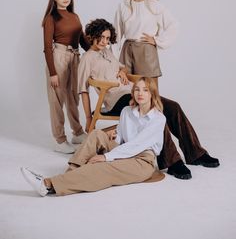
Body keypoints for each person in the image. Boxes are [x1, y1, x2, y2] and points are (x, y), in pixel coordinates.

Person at [78, 18, 219, 180]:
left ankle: (195, 153)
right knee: (155, 109)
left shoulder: (107, 52)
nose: (104, 41)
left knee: (173, 107)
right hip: (115, 100)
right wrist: (89, 117)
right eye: (100, 37)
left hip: (131, 93)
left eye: (107, 38)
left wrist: (123, 71)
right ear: (91, 36)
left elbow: (120, 66)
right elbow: (83, 90)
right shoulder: (87, 58)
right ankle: (172, 161)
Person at [21, 77, 166, 197]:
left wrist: (106, 156)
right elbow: (120, 138)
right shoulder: (127, 111)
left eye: (145, 90)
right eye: (137, 89)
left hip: (142, 161)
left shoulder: (159, 119)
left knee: (104, 168)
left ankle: (48, 184)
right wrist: (112, 138)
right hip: (124, 151)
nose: (140, 93)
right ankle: (70, 175)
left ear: (152, 93)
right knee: (97, 134)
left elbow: (136, 145)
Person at [42, 0, 90, 154]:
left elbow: (83, 40)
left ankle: (77, 132)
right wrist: (53, 72)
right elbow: (47, 47)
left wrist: (98, 49)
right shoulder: (51, 18)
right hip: (59, 57)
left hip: (75, 57)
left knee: (73, 96)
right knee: (57, 99)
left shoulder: (74, 16)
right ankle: (59, 139)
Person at [114, 0, 178, 90]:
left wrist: (157, 40)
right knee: (126, 89)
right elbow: (116, 34)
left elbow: (173, 25)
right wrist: (113, 59)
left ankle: (154, 109)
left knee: (150, 90)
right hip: (127, 51)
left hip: (146, 52)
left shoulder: (155, 5)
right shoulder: (124, 5)